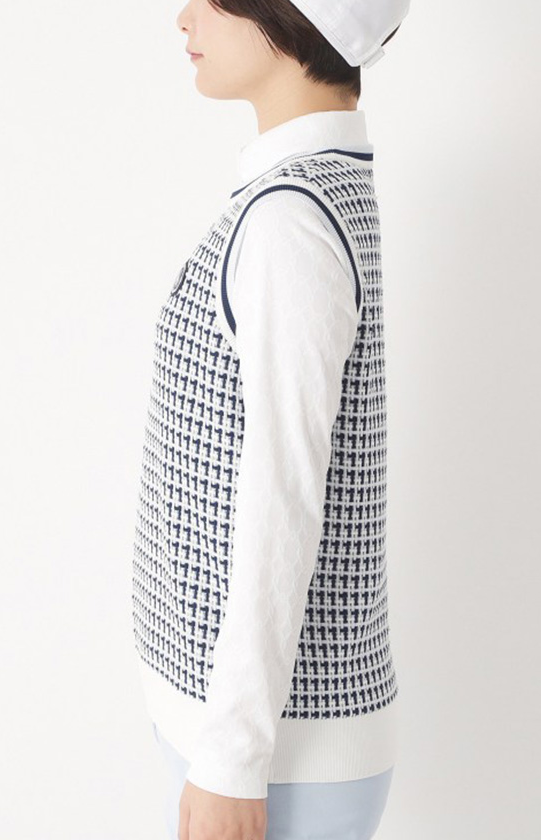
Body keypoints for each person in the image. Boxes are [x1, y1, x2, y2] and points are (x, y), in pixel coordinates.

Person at [131, 1, 411, 838]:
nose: (184, 17)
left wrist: (229, 762)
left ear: (291, 18)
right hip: (257, 740)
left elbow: (281, 495)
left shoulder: (289, 219)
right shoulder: (304, 193)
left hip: (272, 756)